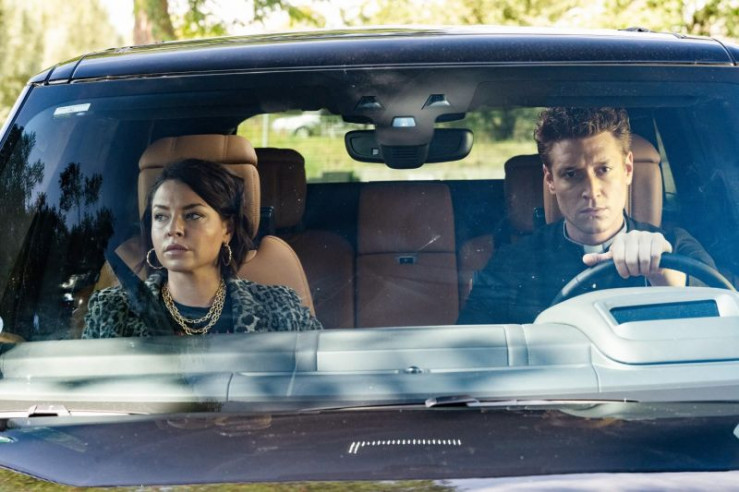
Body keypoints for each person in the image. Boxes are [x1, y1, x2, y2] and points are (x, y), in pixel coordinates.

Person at [458, 107, 715, 325]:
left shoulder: (676, 247)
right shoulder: (513, 263)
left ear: (627, 169)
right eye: (571, 174)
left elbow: (724, 325)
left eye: (604, 169)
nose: (591, 191)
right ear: (550, 180)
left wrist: (666, 276)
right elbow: (471, 348)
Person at [83, 158, 323, 337]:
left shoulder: (280, 308)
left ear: (227, 229)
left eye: (193, 215)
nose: (173, 229)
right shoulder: (112, 311)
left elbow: (318, 380)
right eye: (161, 216)